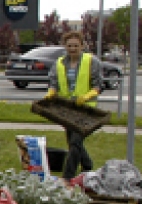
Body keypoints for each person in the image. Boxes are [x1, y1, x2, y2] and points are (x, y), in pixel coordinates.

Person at [43, 30, 102, 180]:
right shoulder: (60, 63)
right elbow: (54, 82)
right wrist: (51, 92)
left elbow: (98, 85)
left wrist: (88, 96)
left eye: (76, 45)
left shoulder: (92, 61)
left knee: (75, 141)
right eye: (69, 45)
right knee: (72, 141)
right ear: (65, 46)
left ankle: (68, 177)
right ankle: (87, 164)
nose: (73, 48)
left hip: (85, 109)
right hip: (67, 109)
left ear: (82, 46)